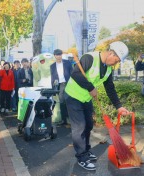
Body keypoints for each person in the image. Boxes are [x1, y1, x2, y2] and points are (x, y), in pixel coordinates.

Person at [64, 41, 130, 171]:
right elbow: (75, 73)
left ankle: (86, 150)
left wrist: (119, 106)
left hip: (86, 98)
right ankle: (81, 157)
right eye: (116, 60)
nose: (116, 64)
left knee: (88, 124)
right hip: (73, 96)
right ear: (111, 53)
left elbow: (110, 87)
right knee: (80, 127)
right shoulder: (89, 58)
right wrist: (90, 87)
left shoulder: (108, 68)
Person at [50, 49, 73, 125]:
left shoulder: (67, 63)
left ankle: (71, 119)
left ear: (61, 55)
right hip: (59, 85)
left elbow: (72, 73)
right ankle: (64, 119)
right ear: (54, 56)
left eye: (60, 55)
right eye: (57, 55)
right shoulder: (52, 66)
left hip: (68, 84)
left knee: (69, 101)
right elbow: (52, 78)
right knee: (62, 102)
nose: (58, 56)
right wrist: (53, 88)